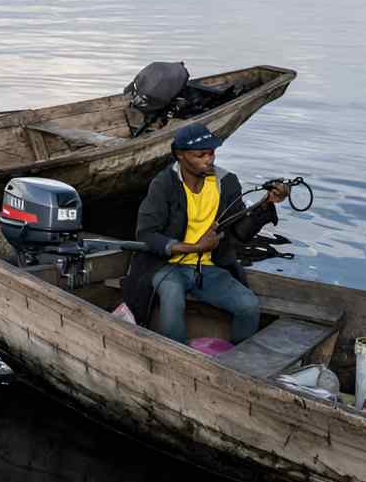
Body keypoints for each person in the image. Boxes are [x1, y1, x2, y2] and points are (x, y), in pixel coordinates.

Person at [120, 122, 287, 345]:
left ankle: (237, 362)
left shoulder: (226, 182)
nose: (209, 159)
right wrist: (194, 248)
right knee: (172, 297)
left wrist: (266, 204)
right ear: (180, 155)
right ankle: (178, 360)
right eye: (201, 155)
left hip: (208, 268)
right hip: (167, 265)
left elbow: (239, 233)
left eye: (212, 153)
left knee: (248, 305)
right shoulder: (164, 184)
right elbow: (147, 235)